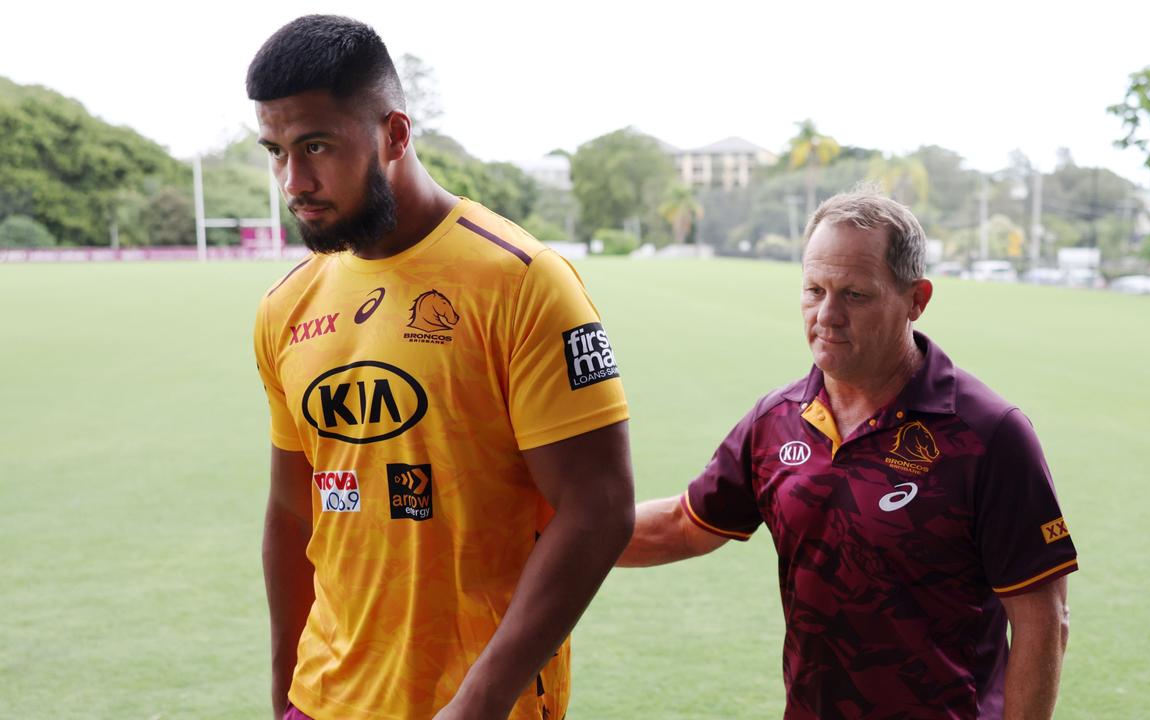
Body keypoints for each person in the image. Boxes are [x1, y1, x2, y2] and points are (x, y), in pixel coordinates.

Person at [248, 16, 634, 720]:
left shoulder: (523, 282)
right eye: (275, 151)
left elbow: (599, 507)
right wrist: (286, 694)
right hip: (324, 699)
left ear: (394, 135)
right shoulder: (285, 306)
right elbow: (291, 508)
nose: (293, 180)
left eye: (317, 146)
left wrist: (478, 703)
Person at [619, 189, 1078, 719]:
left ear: (916, 299)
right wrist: (551, 532)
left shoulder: (988, 434)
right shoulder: (776, 419)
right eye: (814, 290)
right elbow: (682, 524)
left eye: (855, 295)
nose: (827, 315)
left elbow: (1043, 620)